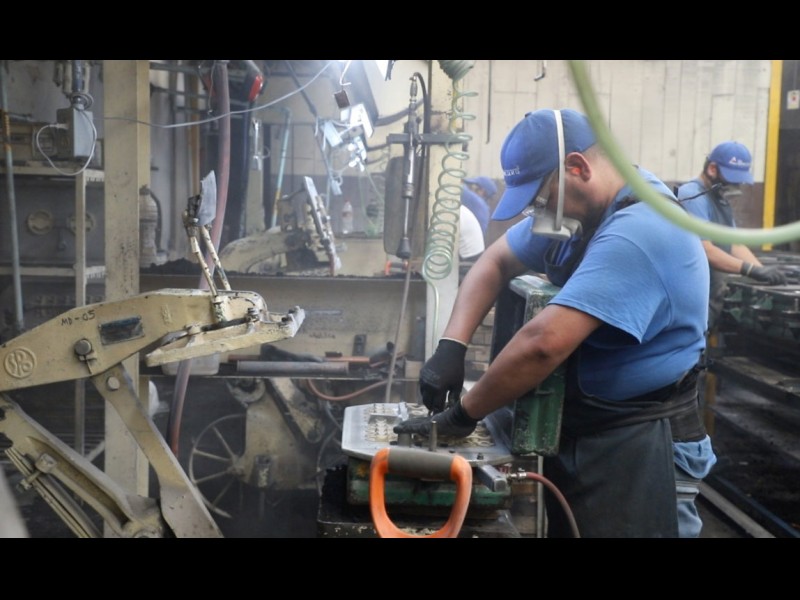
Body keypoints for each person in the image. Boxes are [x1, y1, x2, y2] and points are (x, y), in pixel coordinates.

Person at [394, 108, 717, 538]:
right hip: (593, 435)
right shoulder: (582, 216)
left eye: (540, 198)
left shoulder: (641, 230)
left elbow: (543, 343)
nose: (538, 211)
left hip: (644, 450)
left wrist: (464, 415)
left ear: (577, 168)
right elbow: (496, 260)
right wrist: (452, 346)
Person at [676, 141, 787, 332]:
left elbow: (733, 243)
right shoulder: (693, 196)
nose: (735, 186)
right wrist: (749, 270)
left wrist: (763, 272)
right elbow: (705, 249)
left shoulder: (719, 198)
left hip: (709, 296)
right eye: (731, 179)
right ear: (712, 169)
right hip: (690, 298)